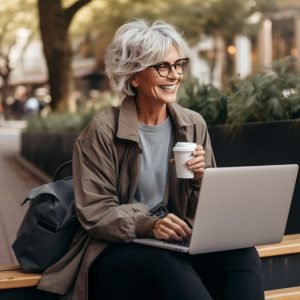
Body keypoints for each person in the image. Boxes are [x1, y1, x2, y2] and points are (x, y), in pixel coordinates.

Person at [37, 19, 264, 300]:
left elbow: (207, 211)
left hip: (176, 243)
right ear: (134, 76)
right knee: (167, 266)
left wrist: (201, 179)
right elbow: (96, 212)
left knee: (242, 255)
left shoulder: (193, 124)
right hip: (115, 249)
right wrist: (150, 224)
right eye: (163, 67)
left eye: (179, 64)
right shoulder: (103, 130)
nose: (175, 75)